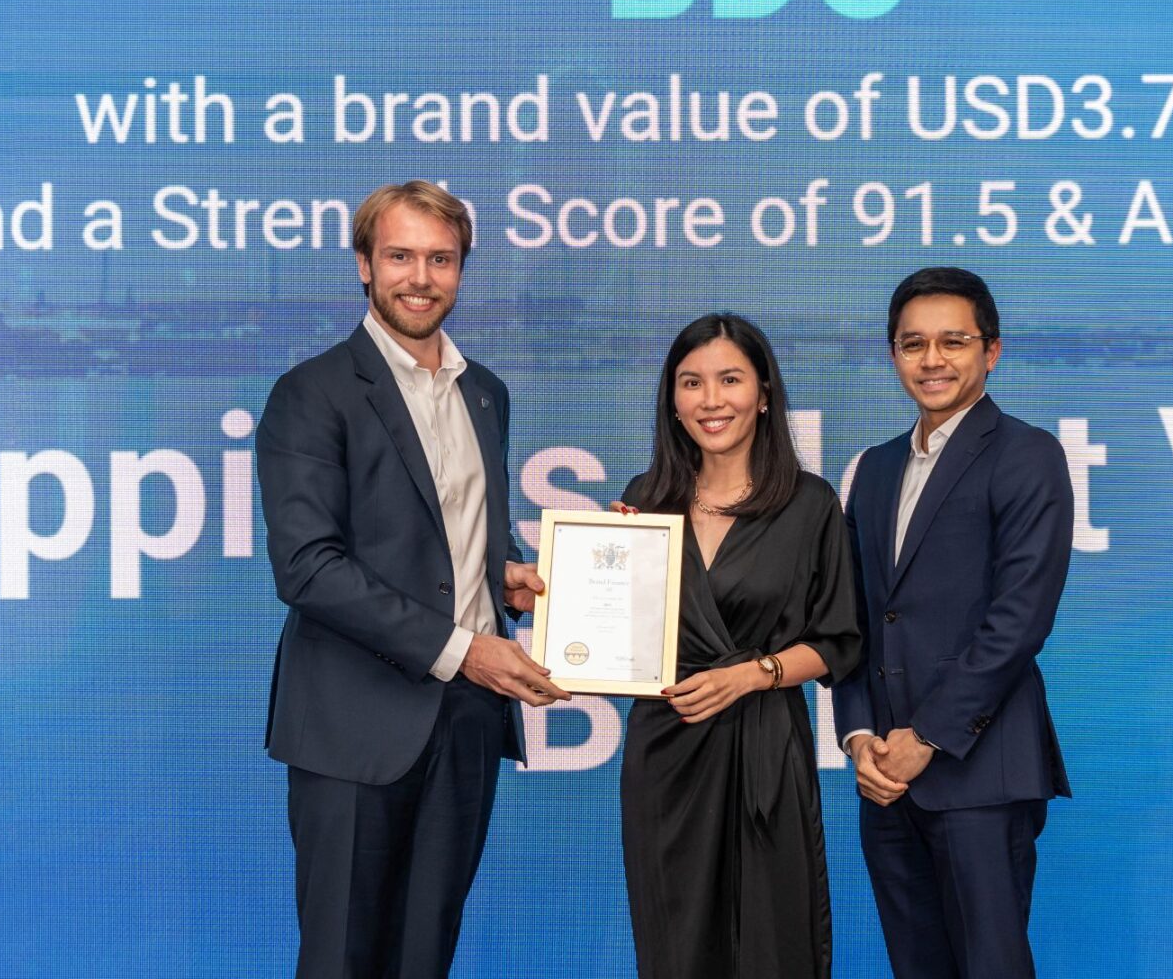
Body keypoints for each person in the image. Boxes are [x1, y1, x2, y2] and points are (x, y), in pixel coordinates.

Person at [256, 180, 566, 979]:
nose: (420, 278)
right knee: (343, 961)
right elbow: (308, 567)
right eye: (400, 256)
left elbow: (452, 536)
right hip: (353, 724)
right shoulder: (311, 393)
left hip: (465, 725)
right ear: (364, 265)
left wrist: (504, 577)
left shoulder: (485, 393)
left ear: (462, 269)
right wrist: (465, 649)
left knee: (426, 957)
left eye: (440, 259)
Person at [833, 267, 1074, 979]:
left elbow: (1020, 619)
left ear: (991, 351)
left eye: (953, 341)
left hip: (980, 772)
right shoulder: (875, 468)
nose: (931, 359)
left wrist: (928, 737)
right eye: (913, 344)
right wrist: (859, 736)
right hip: (885, 777)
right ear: (894, 355)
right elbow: (854, 617)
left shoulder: (1027, 453)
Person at [614, 313, 860, 979]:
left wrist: (752, 674)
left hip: (765, 748)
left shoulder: (810, 504)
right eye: (691, 382)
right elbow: (622, 642)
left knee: (774, 945)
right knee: (675, 950)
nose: (710, 400)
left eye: (730, 379)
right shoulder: (643, 500)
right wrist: (598, 572)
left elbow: (838, 641)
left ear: (764, 393)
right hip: (667, 752)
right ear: (672, 399)